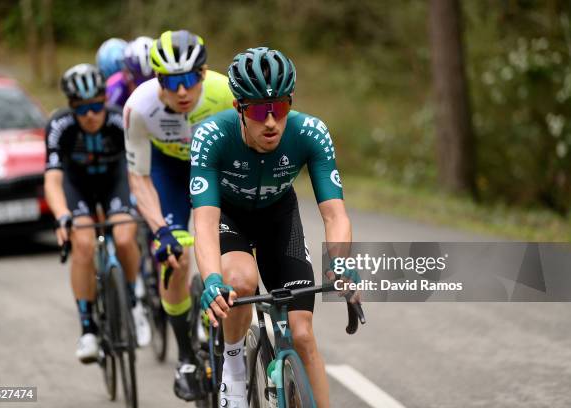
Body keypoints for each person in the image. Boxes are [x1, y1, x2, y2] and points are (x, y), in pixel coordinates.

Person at [191, 47, 355, 408]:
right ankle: (233, 368)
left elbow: (335, 214)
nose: (270, 122)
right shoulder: (211, 136)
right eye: (258, 110)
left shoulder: (310, 132)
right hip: (229, 219)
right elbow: (203, 222)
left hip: (279, 218)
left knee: (302, 335)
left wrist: (341, 263)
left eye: (279, 108)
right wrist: (212, 279)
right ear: (239, 108)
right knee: (240, 281)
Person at [123, 29, 234, 401]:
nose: (182, 91)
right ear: (157, 80)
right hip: (168, 173)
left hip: (217, 169)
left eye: (189, 79)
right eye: (171, 82)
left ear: (203, 74)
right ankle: (186, 355)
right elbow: (138, 179)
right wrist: (160, 230)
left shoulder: (226, 93)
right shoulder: (140, 107)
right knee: (175, 256)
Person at [44, 63, 151, 364]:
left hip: (114, 183)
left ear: (105, 99)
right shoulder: (59, 126)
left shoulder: (120, 121)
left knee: (125, 235)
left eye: (96, 106)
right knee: (84, 243)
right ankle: (88, 328)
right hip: (77, 187)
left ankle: (132, 302)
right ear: (71, 107)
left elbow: (138, 170)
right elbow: (52, 179)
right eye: (81, 108)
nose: (90, 114)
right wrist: (62, 214)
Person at [106, 36, 155, 109]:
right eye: (138, 81)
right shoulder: (115, 87)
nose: (145, 89)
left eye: (151, 80)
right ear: (125, 74)